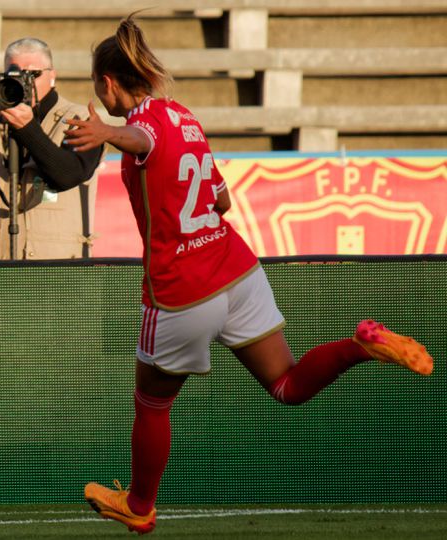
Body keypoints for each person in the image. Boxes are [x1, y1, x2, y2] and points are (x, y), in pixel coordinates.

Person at [63, 15, 435, 535]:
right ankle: (361, 345)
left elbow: (140, 137)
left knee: (151, 402)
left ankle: (140, 504)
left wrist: (105, 132)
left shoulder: (143, 123)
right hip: (236, 269)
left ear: (106, 84)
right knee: (285, 385)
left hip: (182, 289)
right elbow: (222, 198)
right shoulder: (185, 117)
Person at [0, 37, 104, 260]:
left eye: (33, 75)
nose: (26, 83)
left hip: (59, 266)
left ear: (52, 76)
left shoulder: (80, 118)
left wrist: (27, 129)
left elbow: (66, 175)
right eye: (15, 75)